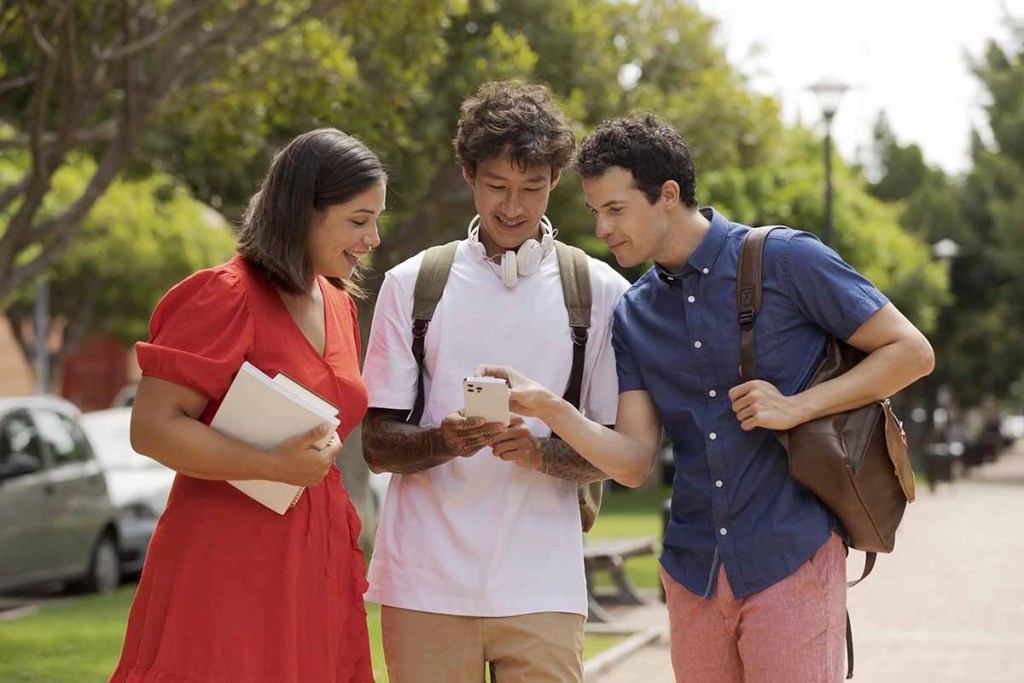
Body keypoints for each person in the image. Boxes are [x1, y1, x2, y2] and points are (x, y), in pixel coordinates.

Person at [480, 112, 936, 682]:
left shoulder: (786, 259)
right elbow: (632, 462)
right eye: (596, 212)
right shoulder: (635, 313)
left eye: (616, 209)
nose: (603, 228)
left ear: (667, 195)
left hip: (789, 554)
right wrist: (551, 408)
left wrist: (797, 406)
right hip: (693, 572)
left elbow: (911, 351)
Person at [360, 81, 630, 683]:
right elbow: (376, 445)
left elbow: (615, 451)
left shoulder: (601, 292)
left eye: (532, 188)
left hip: (544, 585)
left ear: (555, 181)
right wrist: (443, 441)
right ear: (467, 174)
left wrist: (540, 453)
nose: (513, 207)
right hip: (424, 585)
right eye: (497, 187)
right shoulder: (412, 284)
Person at [109, 129, 385, 683]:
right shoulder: (223, 295)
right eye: (358, 220)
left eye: (377, 219)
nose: (373, 237)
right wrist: (273, 466)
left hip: (316, 550)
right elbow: (152, 428)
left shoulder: (337, 302)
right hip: (229, 556)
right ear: (300, 212)